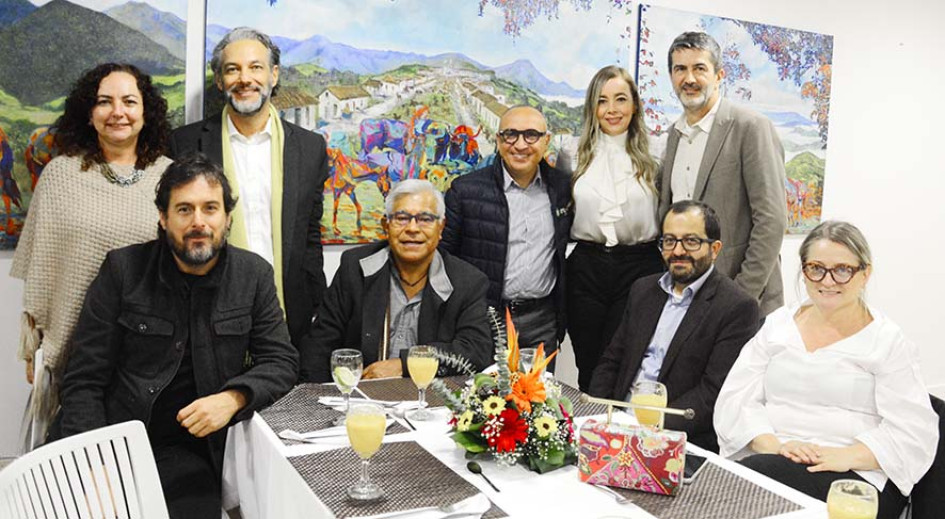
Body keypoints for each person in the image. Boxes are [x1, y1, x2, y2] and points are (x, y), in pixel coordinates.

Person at [55, 154, 298, 517]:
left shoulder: (254, 276)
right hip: (114, 437)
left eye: (210, 208)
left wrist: (233, 398)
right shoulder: (122, 270)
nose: (198, 222)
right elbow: (83, 380)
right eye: (184, 209)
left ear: (227, 218)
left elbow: (281, 362)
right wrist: (95, 461)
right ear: (163, 217)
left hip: (194, 453)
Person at [714, 221, 938, 519]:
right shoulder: (779, 324)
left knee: (733, 491)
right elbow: (736, 399)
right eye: (816, 268)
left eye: (842, 270)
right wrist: (775, 445)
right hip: (774, 456)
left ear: (865, 274)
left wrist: (842, 456)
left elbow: (913, 430)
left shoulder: (887, 341)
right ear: (804, 270)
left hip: (855, 475)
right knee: (725, 486)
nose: (828, 281)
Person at [11, 63, 172, 442]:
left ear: (145, 112)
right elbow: (45, 266)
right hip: (76, 350)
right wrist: (35, 344)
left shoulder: (171, 177)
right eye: (105, 101)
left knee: (143, 461)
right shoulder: (60, 175)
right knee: (77, 463)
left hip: (149, 347)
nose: (118, 112)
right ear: (89, 112)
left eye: (130, 101)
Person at [170, 27, 329, 347]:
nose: (245, 78)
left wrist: (316, 309)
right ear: (219, 81)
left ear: (273, 74)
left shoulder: (310, 148)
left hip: (289, 323)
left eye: (255, 67)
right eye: (233, 69)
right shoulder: (184, 144)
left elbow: (310, 237)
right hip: (206, 322)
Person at [589, 201, 760, 451]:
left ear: (715, 248)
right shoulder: (643, 290)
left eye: (691, 241)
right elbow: (612, 361)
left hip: (675, 437)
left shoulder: (737, 307)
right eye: (669, 241)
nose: (678, 251)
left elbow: (711, 393)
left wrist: (647, 427)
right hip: (617, 424)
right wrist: (600, 415)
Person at [300, 179, 492, 382]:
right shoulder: (355, 268)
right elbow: (319, 344)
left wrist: (405, 364)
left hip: (433, 402)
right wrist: (317, 400)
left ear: (441, 228)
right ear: (386, 225)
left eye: (425, 219)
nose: (412, 228)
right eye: (401, 218)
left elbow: (476, 350)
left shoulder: (468, 281)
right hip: (363, 397)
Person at [658, 31, 787, 316]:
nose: (689, 78)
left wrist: (739, 297)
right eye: (680, 69)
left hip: (741, 301)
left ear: (719, 75)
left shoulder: (750, 127)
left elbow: (772, 221)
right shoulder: (673, 136)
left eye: (699, 68)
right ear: (671, 76)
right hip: (686, 299)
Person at [440, 106, 571, 361]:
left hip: (541, 322)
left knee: (537, 399)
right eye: (510, 135)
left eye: (531, 135)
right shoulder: (465, 191)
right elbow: (443, 259)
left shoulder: (563, 188)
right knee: (480, 398)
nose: (520, 145)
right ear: (498, 140)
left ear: (546, 141)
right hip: (483, 319)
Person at [568, 65, 666, 391]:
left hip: (640, 267)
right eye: (603, 101)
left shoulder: (657, 155)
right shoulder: (571, 154)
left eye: (620, 99)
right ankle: (588, 431)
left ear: (634, 105)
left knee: (625, 363)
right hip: (586, 266)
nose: (612, 110)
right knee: (588, 362)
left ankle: (619, 437)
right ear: (592, 107)